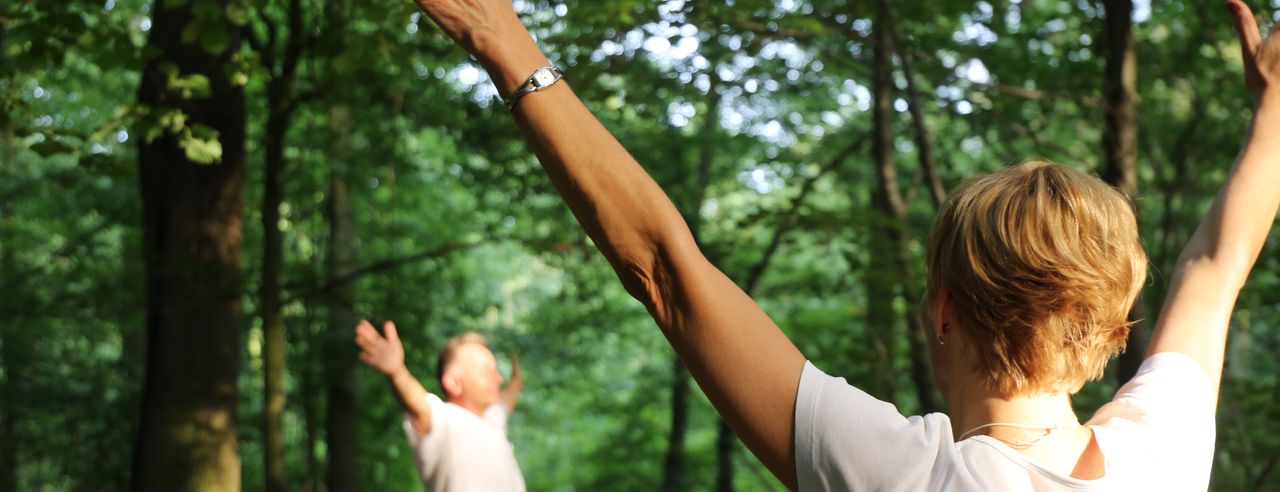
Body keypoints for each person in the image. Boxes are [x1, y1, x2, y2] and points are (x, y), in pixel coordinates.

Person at [405, 0, 1280, 489]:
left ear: (943, 309)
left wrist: (500, 36)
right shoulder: (1160, 454)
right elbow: (1217, 262)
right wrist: (1275, 107)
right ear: (1112, 326)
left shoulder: (906, 476)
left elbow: (666, 270)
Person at [354, 320, 526, 491]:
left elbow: (511, 392)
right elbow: (419, 405)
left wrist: (517, 374)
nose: (498, 378)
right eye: (486, 371)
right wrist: (397, 371)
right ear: (454, 383)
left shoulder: (494, 419)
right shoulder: (444, 419)